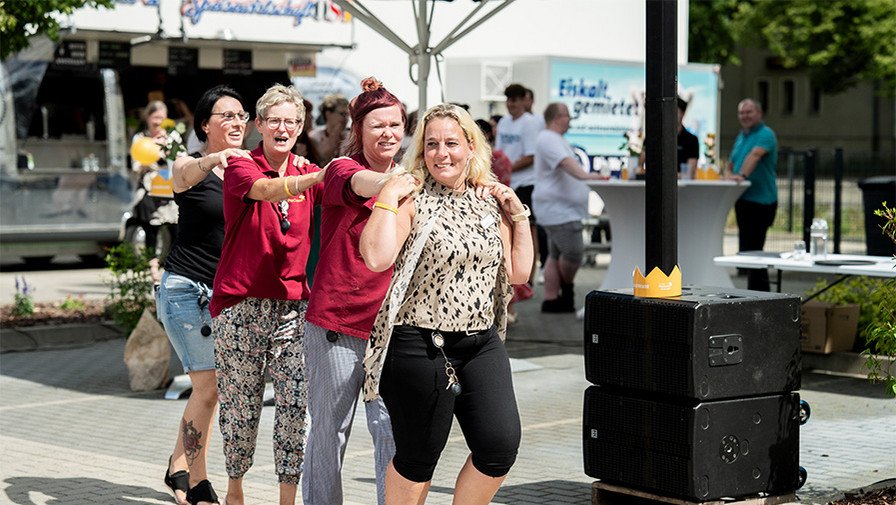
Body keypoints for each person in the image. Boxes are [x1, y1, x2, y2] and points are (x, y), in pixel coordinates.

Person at [359, 103, 534, 504]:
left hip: (480, 342)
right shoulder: (411, 195)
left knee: (499, 446)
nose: (442, 153)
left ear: (471, 147)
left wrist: (518, 215)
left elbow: (520, 273)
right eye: (432, 144)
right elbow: (376, 257)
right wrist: (387, 195)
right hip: (419, 345)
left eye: (451, 143)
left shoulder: (489, 199)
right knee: (419, 457)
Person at [209, 84, 325, 505]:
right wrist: (314, 177)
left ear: (300, 126)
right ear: (259, 125)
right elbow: (265, 191)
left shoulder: (308, 169)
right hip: (240, 304)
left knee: (296, 402)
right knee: (241, 407)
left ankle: (286, 499)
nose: (282, 127)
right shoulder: (243, 164)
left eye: (291, 121)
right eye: (273, 120)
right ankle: (235, 488)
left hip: (294, 307)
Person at [302, 77, 404, 505]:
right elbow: (365, 183)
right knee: (329, 429)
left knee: (391, 432)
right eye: (377, 125)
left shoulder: (413, 177)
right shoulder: (344, 169)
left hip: (394, 327)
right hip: (338, 324)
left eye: (395, 125)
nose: (388, 134)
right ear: (357, 130)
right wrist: (401, 186)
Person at [157, 85, 252, 505]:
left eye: (241, 115)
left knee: (209, 389)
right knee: (208, 385)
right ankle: (197, 480)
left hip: (223, 295)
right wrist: (216, 159)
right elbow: (180, 175)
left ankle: (180, 465)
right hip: (185, 290)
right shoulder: (191, 165)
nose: (236, 122)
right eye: (225, 116)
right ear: (204, 126)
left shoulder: (249, 171)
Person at [532, 103, 605, 313]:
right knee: (573, 252)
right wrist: (588, 176)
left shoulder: (553, 139)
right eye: (567, 116)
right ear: (558, 117)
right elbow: (565, 163)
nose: (570, 120)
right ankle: (567, 290)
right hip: (559, 211)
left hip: (559, 208)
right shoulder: (548, 138)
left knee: (555, 255)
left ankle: (552, 298)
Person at [727, 98, 778, 292]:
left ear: (759, 113)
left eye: (749, 112)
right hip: (744, 200)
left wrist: (741, 176)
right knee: (748, 252)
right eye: (741, 113)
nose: (744, 116)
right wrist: (728, 175)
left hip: (762, 201)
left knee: (756, 253)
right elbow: (732, 162)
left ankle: (762, 295)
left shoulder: (766, 134)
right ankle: (752, 294)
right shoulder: (742, 135)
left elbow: (755, 156)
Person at [496, 83, 542, 283]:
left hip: (526, 183)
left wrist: (507, 168)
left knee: (527, 229)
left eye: (514, 99)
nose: (510, 104)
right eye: (508, 100)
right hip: (506, 184)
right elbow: (498, 153)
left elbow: (531, 156)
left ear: (524, 100)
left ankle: (528, 278)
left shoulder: (530, 123)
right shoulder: (504, 122)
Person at [130, 100, 180, 278]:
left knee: (174, 227)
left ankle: (173, 266)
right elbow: (136, 165)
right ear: (148, 117)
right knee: (150, 227)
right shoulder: (140, 138)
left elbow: (181, 160)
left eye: (161, 118)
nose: (158, 122)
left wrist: (166, 151)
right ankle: (152, 266)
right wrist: (150, 158)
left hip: (169, 187)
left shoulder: (173, 137)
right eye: (155, 117)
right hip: (150, 187)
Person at [638, 96, 698, 178]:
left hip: (682, 188)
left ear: (683, 113)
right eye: (668, 111)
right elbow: (640, 166)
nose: (671, 115)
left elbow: (689, 173)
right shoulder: (653, 137)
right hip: (655, 186)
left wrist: (664, 177)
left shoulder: (691, 140)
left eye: (675, 111)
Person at [308, 93, 350, 166]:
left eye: (348, 114)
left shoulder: (351, 137)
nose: (346, 118)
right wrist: (334, 138)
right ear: (328, 114)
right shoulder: (314, 137)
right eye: (342, 114)